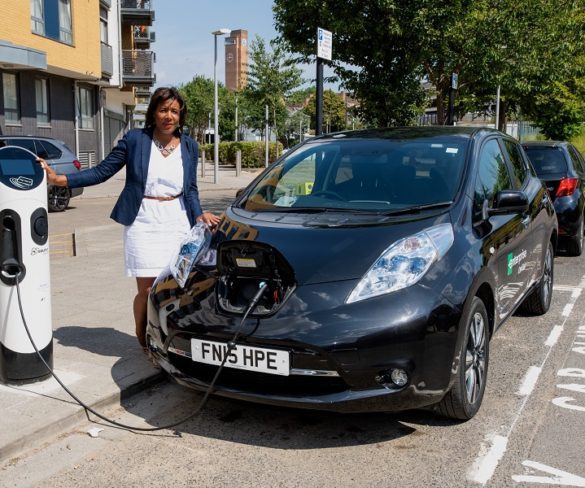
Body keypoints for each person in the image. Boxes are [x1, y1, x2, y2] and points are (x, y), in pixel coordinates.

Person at [38, 86, 220, 351]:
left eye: (174, 111)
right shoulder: (136, 139)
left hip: (177, 221)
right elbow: (102, 171)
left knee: (176, 287)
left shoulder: (189, 146)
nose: (168, 116)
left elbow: (190, 190)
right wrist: (60, 180)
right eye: (163, 110)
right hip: (144, 221)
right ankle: (144, 338)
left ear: (181, 115)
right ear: (153, 113)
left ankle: (171, 341)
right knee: (148, 291)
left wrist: (199, 214)